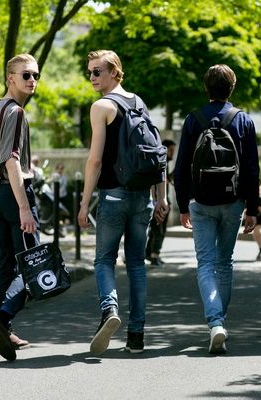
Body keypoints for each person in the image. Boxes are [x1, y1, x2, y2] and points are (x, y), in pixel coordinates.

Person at [77, 50, 168, 356]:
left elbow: (95, 160)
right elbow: (156, 154)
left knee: (103, 260)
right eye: (89, 72)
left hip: (113, 196)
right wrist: (161, 197)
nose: (92, 78)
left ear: (115, 72)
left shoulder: (101, 107)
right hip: (142, 199)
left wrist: (84, 201)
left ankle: (109, 309)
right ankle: (136, 337)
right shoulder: (138, 102)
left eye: (97, 72)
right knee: (136, 266)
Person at [174, 64, 260, 354]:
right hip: (233, 201)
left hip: (201, 202)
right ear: (231, 88)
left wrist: (182, 204)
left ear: (206, 88)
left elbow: (181, 166)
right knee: (225, 263)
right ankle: (219, 321)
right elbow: (251, 168)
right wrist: (252, 208)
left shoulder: (193, 119)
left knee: (206, 263)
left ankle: (215, 323)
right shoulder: (243, 120)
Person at [0, 54, 40, 361]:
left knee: (7, 263)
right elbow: (11, 160)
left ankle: (1, 333)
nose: (32, 80)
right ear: (10, 78)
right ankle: (1, 321)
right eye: (26, 75)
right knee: (34, 265)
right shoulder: (15, 111)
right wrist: (25, 208)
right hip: (15, 192)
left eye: (35, 76)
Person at [146, 139, 176, 266]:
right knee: (159, 229)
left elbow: (168, 179)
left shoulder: (164, 162)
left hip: (159, 200)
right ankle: (154, 254)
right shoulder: (160, 162)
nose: (172, 153)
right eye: (171, 150)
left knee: (157, 229)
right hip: (159, 201)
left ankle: (149, 253)